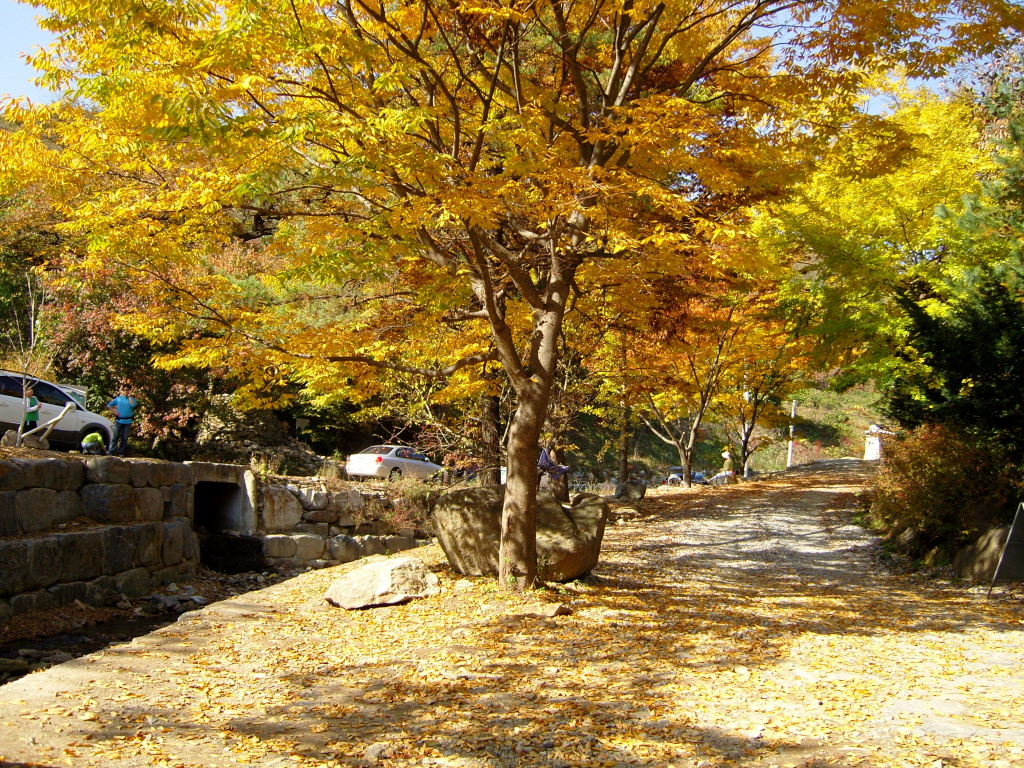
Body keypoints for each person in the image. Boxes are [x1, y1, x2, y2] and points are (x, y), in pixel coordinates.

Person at [105, 387, 138, 456]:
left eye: (128, 390)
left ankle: (120, 452)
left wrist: (130, 397)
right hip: (119, 421)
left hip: (128, 421)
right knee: (115, 436)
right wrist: (114, 411)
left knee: (125, 438)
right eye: (125, 390)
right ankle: (111, 452)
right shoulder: (118, 399)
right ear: (122, 391)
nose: (126, 391)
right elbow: (109, 405)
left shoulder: (133, 399)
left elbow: (133, 405)